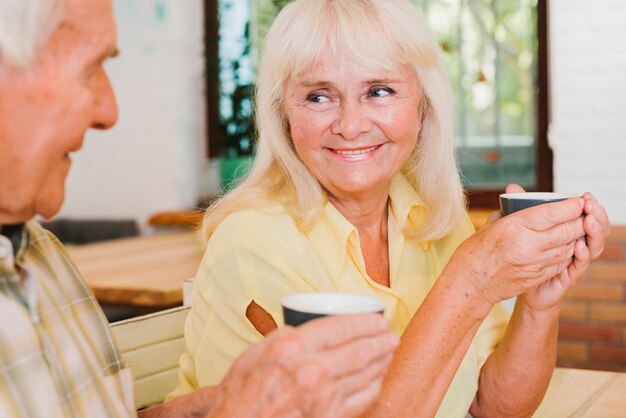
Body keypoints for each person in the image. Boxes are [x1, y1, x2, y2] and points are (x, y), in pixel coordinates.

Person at [170, 0, 611, 416]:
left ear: (423, 107)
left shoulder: (433, 218)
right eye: (319, 96)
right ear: (283, 113)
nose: (350, 125)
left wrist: (538, 301)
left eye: (379, 91)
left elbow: (495, 407)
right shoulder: (254, 243)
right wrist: (474, 279)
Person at [0, 0, 399, 417]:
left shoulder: (40, 251)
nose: (109, 112)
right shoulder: (255, 239)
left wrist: (221, 404)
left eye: (380, 91)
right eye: (87, 69)